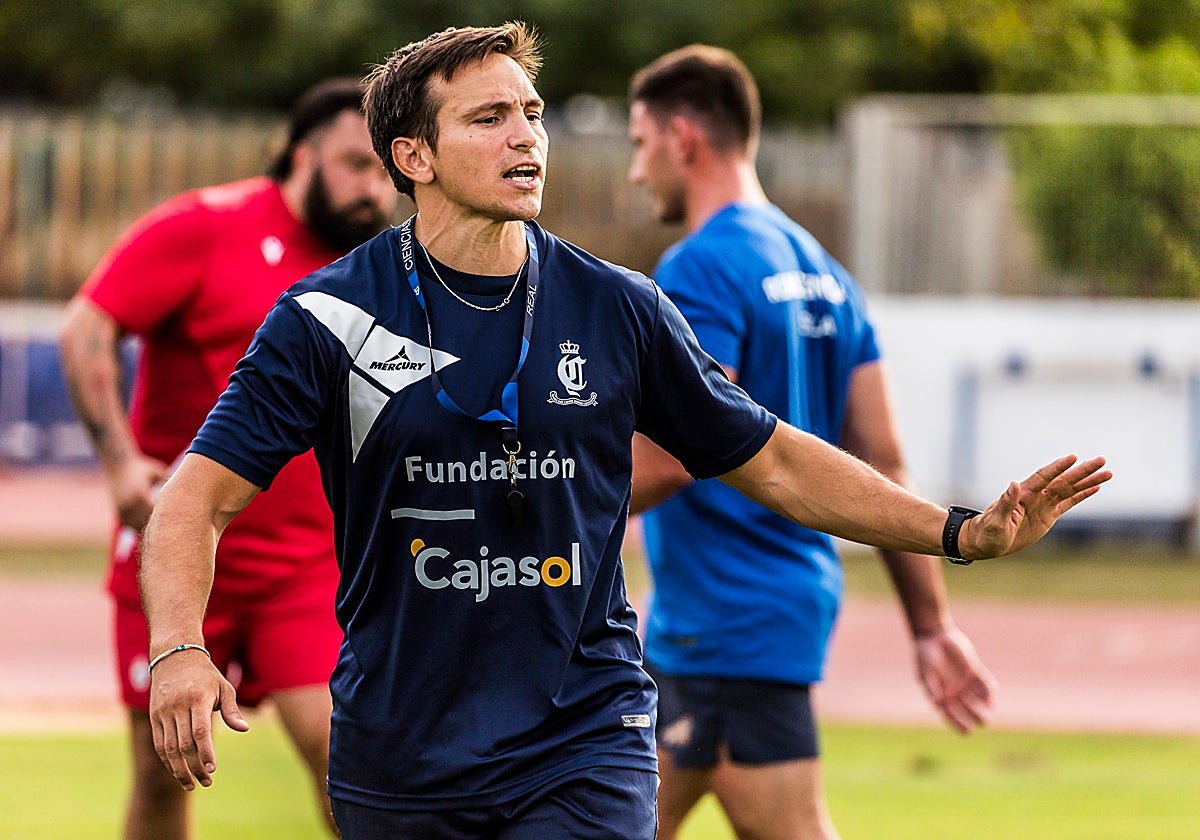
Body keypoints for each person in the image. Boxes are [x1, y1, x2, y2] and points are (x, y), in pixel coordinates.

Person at [134, 23, 1109, 840]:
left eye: (533, 113)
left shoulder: (620, 307)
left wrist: (956, 530)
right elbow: (192, 502)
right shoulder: (327, 319)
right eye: (489, 118)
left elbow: (768, 455)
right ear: (412, 158)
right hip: (402, 746)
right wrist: (179, 649)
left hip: (584, 732)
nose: (527, 137)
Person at [625, 45, 1003, 840]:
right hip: (773, 608)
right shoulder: (829, 272)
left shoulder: (700, 268)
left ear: (683, 138)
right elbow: (886, 460)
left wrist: (523, 498)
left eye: (639, 143)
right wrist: (930, 625)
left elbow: (671, 453)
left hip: (723, 619)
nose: (635, 171)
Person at [58, 77, 397, 839]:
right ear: (302, 155)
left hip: (305, 567)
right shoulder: (203, 227)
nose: (373, 189)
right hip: (175, 559)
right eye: (354, 164)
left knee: (347, 755)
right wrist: (119, 463)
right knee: (162, 770)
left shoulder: (380, 269)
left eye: (385, 171)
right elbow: (86, 328)